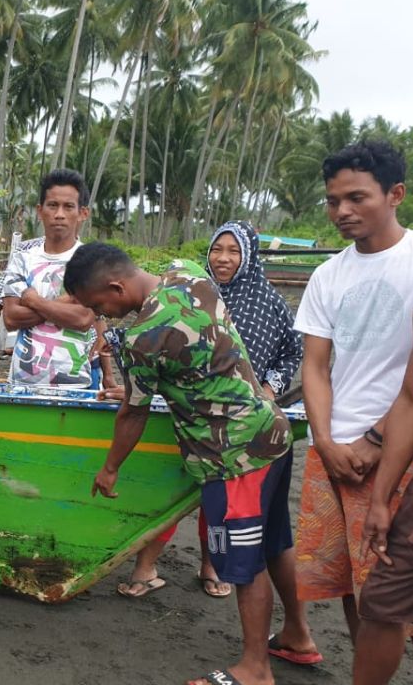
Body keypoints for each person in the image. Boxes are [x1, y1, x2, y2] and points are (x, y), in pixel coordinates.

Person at [262, 122, 413, 685]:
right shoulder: (334, 276)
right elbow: (317, 367)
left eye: (357, 197)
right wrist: (326, 441)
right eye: (333, 200)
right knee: (368, 587)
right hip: (347, 456)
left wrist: (383, 443)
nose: (343, 211)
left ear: (396, 194)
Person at [65, 242, 308, 685]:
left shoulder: (142, 338)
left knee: (243, 563)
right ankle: (298, 636)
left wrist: (110, 469)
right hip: (271, 433)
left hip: (231, 457)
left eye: (100, 305)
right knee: (277, 543)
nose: (106, 315)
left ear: (116, 286)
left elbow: (134, 413)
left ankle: (256, 668)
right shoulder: (189, 273)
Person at [118, 221, 306, 604]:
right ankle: (147, 564)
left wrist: (269, 386)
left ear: (249, 257)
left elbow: (292, 350)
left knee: (223, 506)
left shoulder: (267, 301)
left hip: (244, 422)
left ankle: (211, 565)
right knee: (176, 487)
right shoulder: (194, 289)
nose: (223, 258)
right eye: (217, 249)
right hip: (193, 416)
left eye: (233, 251)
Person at [2, 169, 115, 391]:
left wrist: (33, 300)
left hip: (75, 384)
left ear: (83, 213)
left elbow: (83, 319)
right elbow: (11, 318)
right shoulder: (22, 258)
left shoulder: (93, 261)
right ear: (39, 211)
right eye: (52, 205)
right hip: (21, 383)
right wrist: (67, 303)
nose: (59, 214)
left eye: (68, 207)